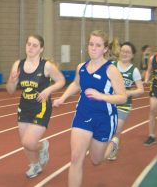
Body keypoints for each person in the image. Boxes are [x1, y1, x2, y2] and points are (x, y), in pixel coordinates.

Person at [53, 30, 126, 187]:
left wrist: (101, 96)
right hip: (83, 115)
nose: (93, 48)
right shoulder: (81, 67)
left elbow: (122, 97)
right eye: (91, 44)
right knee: (75, 158)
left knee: (96, 160)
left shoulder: (111, 70)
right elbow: (76, 84)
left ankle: (112, 144)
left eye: (98, 45)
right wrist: (63, 97)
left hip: (104, 118)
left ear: (105, 49)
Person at [6, 34, 65, 178]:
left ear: (41, 49)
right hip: (24, 107)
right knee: (25, 144)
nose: (30, 47)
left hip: (41, 107)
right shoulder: (17, 65)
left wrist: (48, 90)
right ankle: (35, 165)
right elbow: (10, 90)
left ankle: (43, 146)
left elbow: (61, 81)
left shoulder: (46, 66)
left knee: (29, 142)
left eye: (35, 45)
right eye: (29, 44)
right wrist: (13, 80)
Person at [106, 41, 144, 160]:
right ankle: (107, 144)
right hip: (110, 102)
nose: (124, 54)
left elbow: (141, 90)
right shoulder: (111, 66)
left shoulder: (134, 71)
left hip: (124, 104)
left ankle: (113, 148)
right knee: (106, 127)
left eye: (128, 52)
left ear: (132, 55)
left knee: (117, 128)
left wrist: (128, 93)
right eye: (123, 51)